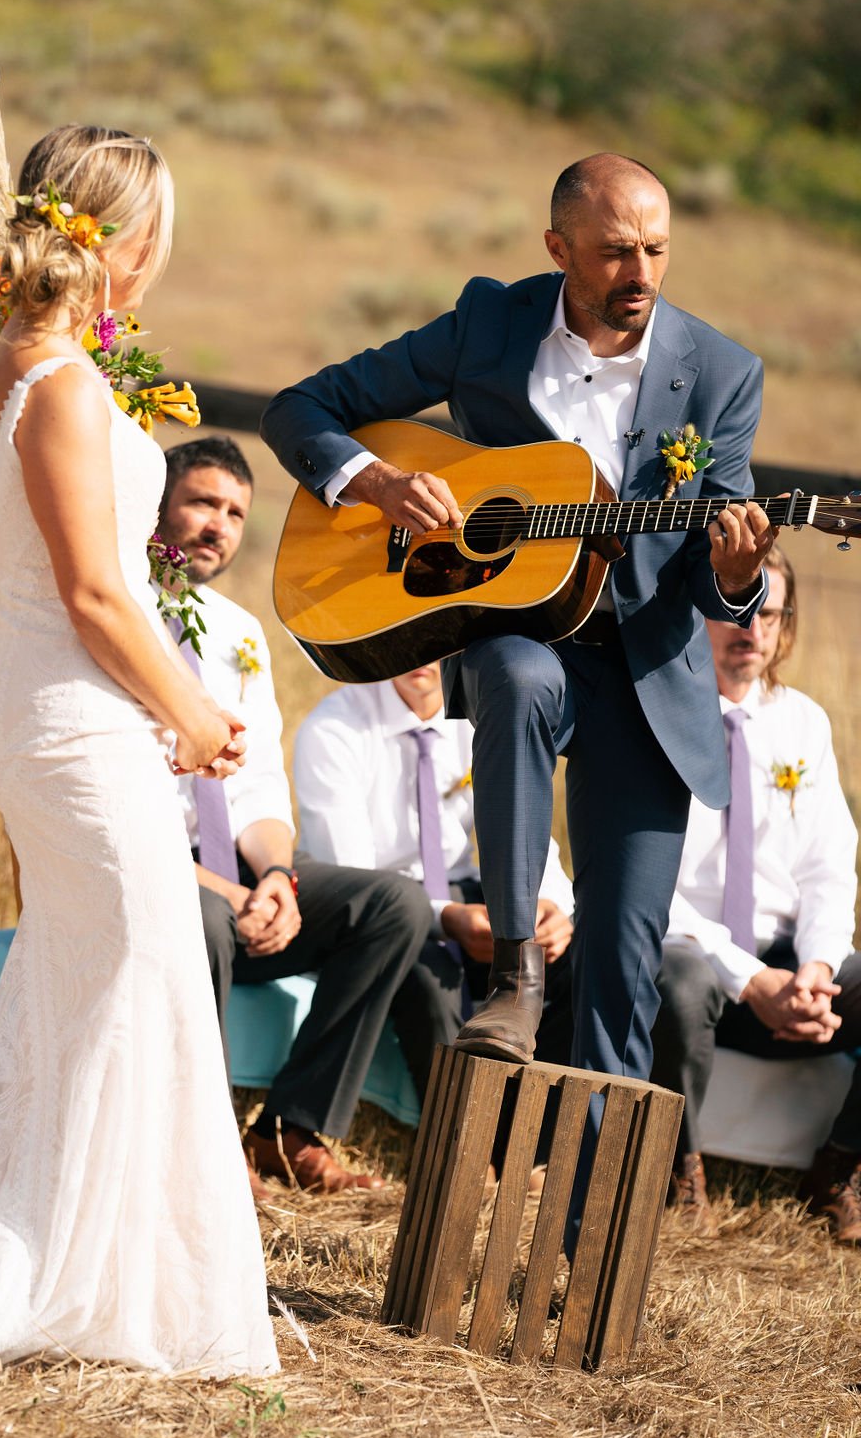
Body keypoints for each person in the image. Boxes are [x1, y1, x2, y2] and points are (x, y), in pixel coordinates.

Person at [0, 121, 278, 1405]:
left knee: (91, 991)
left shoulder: (15, 364)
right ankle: (81, 1278)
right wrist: (192, 714)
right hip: (77, 728)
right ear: (123, 238)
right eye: (160, 234)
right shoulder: (67, 385)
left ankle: (88, 1264)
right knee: (139, 975)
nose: (162, 258)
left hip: (53, 719)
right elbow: (90, 591)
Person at [261, 153, 775, 1149]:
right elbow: (301, 408)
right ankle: (514, 974)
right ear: (557, 249)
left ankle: (586, 1217)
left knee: (623, 970)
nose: (640, 273)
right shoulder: (489, 324)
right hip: (524, 642)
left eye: (657, 249)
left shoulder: (720, 374)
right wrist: (376, 483)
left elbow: (717, 575)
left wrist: (739, 574)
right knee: (514, 670)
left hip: (645, 675)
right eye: (615, 251)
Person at [156, 435, 433, 1197]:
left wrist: (276, 876)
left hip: (239, 872)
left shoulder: (241, 631)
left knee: (395, 905)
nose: (218, 525)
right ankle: (204, 1145)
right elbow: (124, 805)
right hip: (158, 874)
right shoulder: (125, 619)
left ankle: (290, 1130)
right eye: (202, 503)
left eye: (234, 513)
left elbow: (258, 786)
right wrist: (229, 893)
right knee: (204, 919)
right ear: (158, 505)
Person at [651, 545, 861, 1240]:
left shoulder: (804, 722)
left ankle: (839, 1164)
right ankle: (676, 1169)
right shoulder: (658, 717)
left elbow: (829, 865)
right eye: (736, 610)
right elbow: (647, 886)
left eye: (768, 614)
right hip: (694, 962)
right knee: (679, 982)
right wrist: (747, 978)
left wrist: (817, 968)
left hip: (786, 960)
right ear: (699, 612)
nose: (752, 629)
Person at [293, 663, 576, 1098]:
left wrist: (553, 905)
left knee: (580, 964)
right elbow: (359, 883)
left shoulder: (482, 718)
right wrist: (446, 919)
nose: (419, 657)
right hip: (385, 914)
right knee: (432, 981)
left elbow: (526, 823)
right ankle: (457, 1126)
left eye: (435, 641)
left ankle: (531, 1121)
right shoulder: (334, 727)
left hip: (462, 888)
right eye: (405, 638)